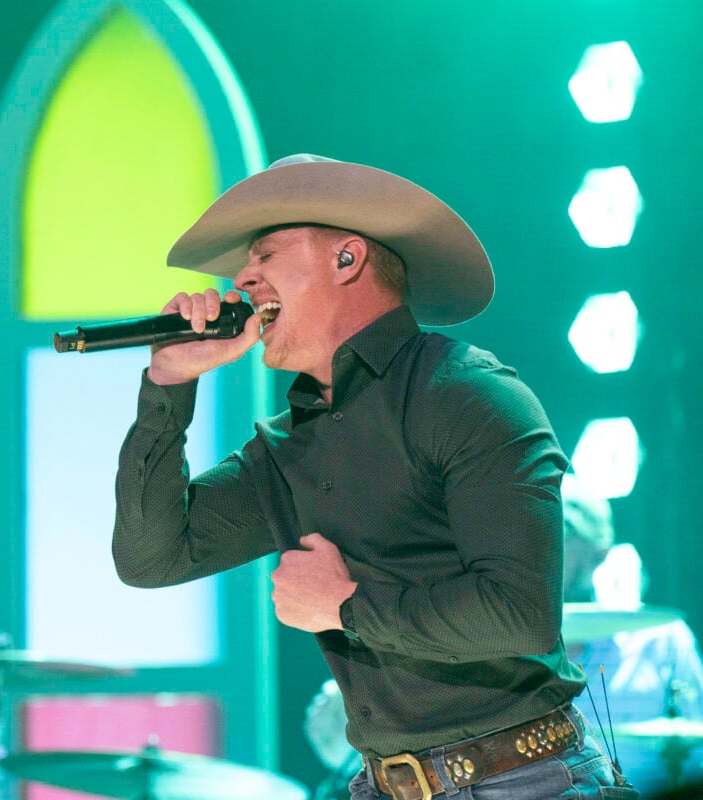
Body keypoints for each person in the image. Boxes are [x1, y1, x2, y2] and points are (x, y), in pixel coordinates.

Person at [111, 154, 637, 799]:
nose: (243, 279)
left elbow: (520, 615)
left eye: (266, 254)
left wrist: (345, 606)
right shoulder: (285, 447)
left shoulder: (468, 394)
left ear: (346, 258)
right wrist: (168, 385)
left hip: (526, 781)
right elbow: (150, 558)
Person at [560, 476, 703, 795]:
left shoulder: (660, 638)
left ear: (599, 550)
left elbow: (698, 758)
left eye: (562, 531)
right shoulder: (494, 641)